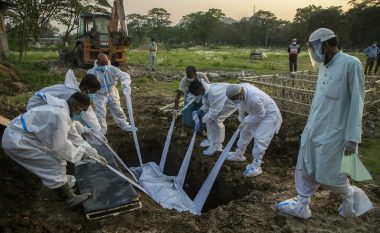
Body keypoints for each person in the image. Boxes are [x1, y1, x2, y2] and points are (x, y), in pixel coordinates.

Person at [277, 28, 373, 219]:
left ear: (326, 44)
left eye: (314, 48)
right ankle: (302, 204)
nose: (313, 53)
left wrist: (352, 137)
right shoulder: (324, 67)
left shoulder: (350, 64)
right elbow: (319, 101)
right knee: (304, 166)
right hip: (314, 128)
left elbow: (357, 102)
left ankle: (350, 197)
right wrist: (308, 127)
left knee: (331, 175)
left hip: (335, 133)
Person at [2, 92, 108, 207]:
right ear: (76, 106)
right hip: (19, 142)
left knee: (55, 159)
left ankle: (64, 183)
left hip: (23, 136)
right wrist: (82, 154)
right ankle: (69, 199)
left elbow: (74, 138)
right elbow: (60, 146)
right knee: (54, 163)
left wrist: (93, 153)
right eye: (82, 110)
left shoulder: (64, 111)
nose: (81, 114)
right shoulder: (60, 116)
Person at [224, 83, 282, 177]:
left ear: (240, 93)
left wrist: (247, 121)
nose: (235, 101)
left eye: (235, 98)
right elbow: (241, 104)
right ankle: (239, 154)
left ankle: (256, 166)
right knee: (245, 131)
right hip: (256, 112)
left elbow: (260, 115)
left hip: (269, 115)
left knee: (260, 138)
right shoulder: (240, 88)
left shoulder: (254, 98)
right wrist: (241, 115)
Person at [27, 69, 102, 136]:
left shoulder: (75, 89)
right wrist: (97, 131)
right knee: (54, 133)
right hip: (37, 107)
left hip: (39, 104)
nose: (92, 95)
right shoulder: (71, 95)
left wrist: (86, 129)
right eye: (92, 92)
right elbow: (87, 115)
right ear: (85, 88)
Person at [87, 53, 134, 135]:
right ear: (97, 63)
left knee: (118, 110)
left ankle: (124, 125)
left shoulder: (112, 69)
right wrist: (91, 95)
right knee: (100, 114)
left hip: (111, 92)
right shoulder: (92, 72)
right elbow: (88, 84)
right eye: (102, 64)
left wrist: (125, 84)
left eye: (106, 63)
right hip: (99, 95)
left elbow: (124, 75)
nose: (105, 66)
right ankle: (101, 132)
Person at [188, 80, 237, 156]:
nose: (195, 96)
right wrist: (200, 111)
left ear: (199, 90)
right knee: (209, 118)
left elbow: (214, 112)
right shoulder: (205, 91)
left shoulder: (213, 93)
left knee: (217, 119)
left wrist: (201, 121)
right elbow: (207, 105)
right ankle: (210, 140)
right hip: (219, 102)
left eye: (195, 94)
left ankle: (217, 145)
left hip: (231, 101)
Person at [174, 66, 210, 137]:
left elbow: (209, 87)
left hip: (201, 94)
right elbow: (178, 95)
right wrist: (175, 108)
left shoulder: (201, 76)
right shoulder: (184, 80)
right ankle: (184, 130)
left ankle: (202, 129)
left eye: (191, 75)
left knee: (202, 113)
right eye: (187, 75)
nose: (189, 77)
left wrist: (205, 96)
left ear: (195, 73)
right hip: (190, 96)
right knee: (186, 112)